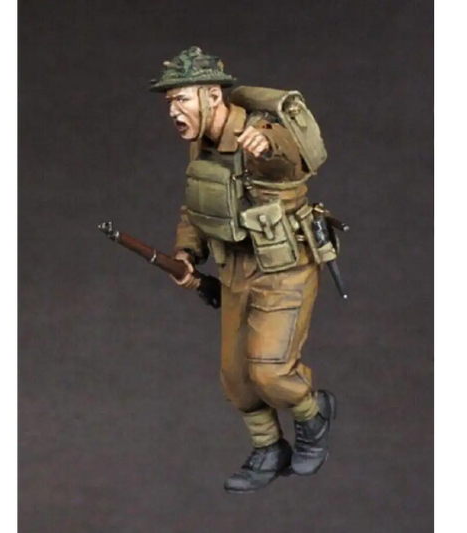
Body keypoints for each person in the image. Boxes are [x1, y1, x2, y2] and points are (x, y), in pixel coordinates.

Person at [149, 46, 336, 494]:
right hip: (235, 268)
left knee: (270, 372)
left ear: (213, 95)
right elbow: (197, 207)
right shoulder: (201, 144)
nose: (173, 110)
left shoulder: (261, 131)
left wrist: (266, 146)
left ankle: (313, 415)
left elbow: (290, 158)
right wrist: (187, 254)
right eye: (170, 101)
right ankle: (268, 447)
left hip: (283, 268)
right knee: (235, 378)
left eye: (181, 99)